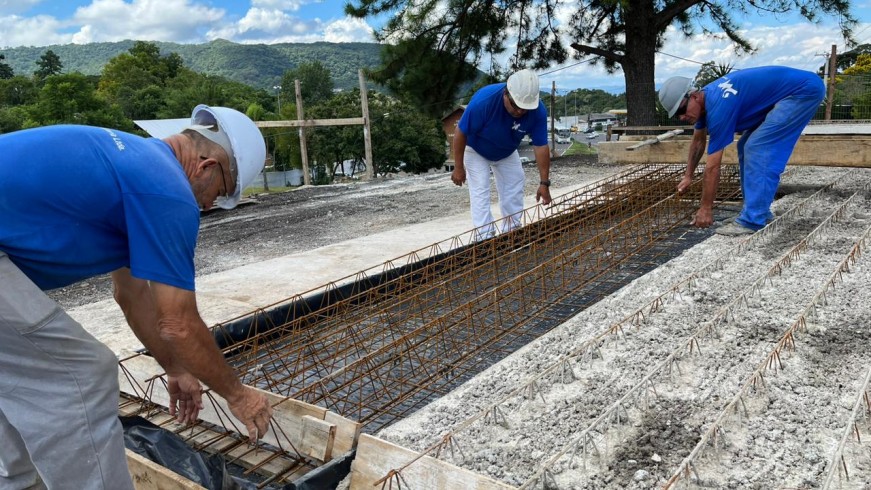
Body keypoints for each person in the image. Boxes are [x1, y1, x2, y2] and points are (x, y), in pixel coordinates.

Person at [0, 105, 274, 489]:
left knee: (22, 378)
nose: (211, 205)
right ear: (207, 165)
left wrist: (176, 370)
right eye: (222, 192)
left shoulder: (135, 165)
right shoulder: (167, 192)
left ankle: (17, 483)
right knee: (83, 374)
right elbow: (179, 322)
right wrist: (238, 394)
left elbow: (131, 294)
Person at [659, 66, 825, 235]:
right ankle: (755, 213)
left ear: (694, 96)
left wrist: (705, 209)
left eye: (681, 110)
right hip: (794, 90)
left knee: (757, 148)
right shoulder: (704, 102)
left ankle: (753, 220)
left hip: (802, 92)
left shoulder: (719, 107)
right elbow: (698, 142)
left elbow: (713, 167)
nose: (681, 117)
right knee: (745, 145)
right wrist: (688, 176)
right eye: (676, 115)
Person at [451, 69, 553, 238]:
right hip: (476, 149)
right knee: (480, 189)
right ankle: (484, 237)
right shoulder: (484, 101)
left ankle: (512, 232)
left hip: (506, 150)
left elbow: (541, 146)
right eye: (516, 106)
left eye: (524, 108)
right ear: (506, 94)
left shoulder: (537, 111)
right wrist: (458, 167)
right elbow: (460, 132)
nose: (520, 112)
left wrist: (544, 183)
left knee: (514, 184)